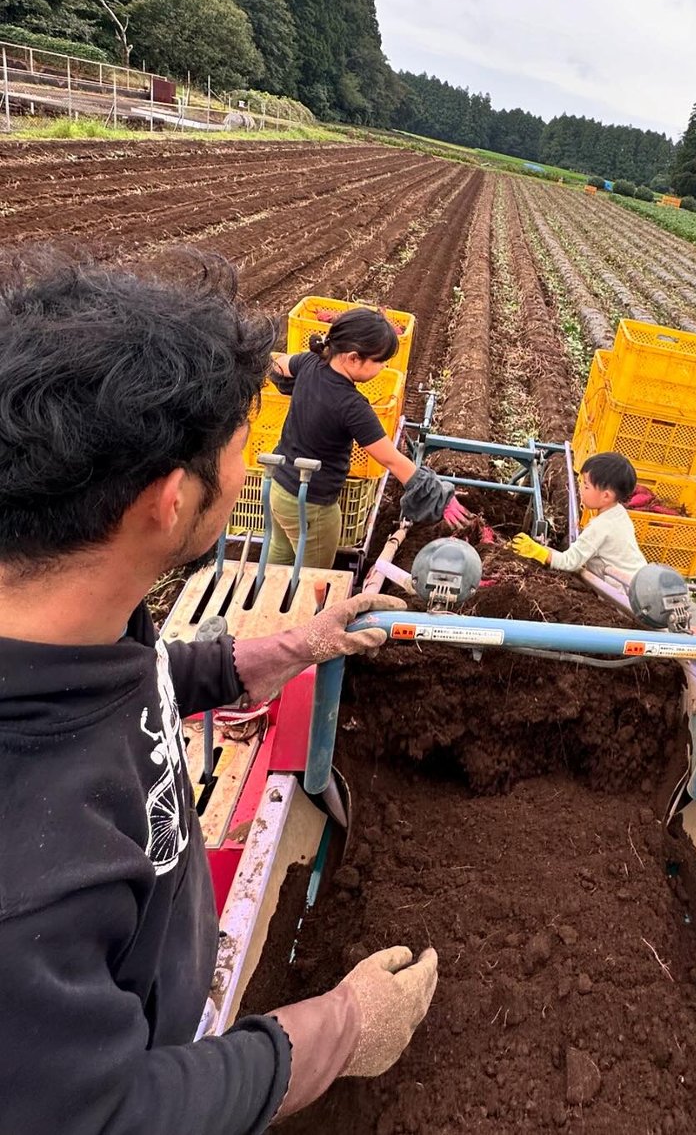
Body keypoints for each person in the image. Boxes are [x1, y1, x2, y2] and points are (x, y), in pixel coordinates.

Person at [0, 250, 438, 1133]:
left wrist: (287, 647)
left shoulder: (72, 621)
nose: (251, 468)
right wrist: (337, 1031)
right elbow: (106, 1113)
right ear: (168, 502)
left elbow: (132, 688)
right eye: (243, 449)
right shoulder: (32, 884)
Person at [266, 307, 469, 567]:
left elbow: (279, 365)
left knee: (279, 556)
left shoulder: (309, 363)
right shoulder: (352, 407)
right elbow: (392, 460)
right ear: (353, 358)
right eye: (380, 361)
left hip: (277, 487)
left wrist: (302, 388)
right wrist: (439, 497)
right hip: (310, 505)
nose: (383, 367)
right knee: (311, 576)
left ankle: (264, 592)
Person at [511, 451, 647, 582]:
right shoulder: (619, 514)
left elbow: (569, 562)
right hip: (642, 580)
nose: (580, 488)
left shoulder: (601, 527)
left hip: (622, 592)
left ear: (606, 496)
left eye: (586, 486)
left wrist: (538, 552)